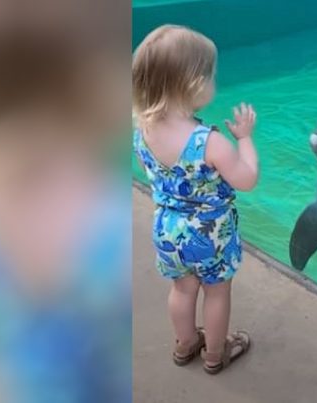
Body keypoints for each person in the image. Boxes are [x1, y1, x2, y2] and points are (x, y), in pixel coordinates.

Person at [132, 24, 259, 374]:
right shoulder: (210, 142)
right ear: (192, 84)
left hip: (168, 231)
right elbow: (246, 179)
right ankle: (216, 353)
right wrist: (245, 139)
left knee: (183, 290)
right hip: (210, 235)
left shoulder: (141, 130)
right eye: (210, 74)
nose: (213, 80)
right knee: (216, 294)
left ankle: (185, 344)